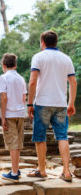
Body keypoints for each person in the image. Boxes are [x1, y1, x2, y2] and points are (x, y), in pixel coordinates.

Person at [27, 30, 77, 182]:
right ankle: (67, 172)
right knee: (62, 136)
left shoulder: (38, 57)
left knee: (40, 137)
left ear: (43, 42)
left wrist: (30, 103)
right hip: (61, 104)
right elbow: (73, 82)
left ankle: (41, 170)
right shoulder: (66, 59)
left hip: (42, 102)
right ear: (56, 42)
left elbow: (33, 81)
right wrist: (71, 103)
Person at [0, 53, 27, 182]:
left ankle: (14, 173)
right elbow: (24, 98)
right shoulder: (21, 78)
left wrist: (2, 117)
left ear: (3, 65)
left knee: (13, 144)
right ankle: (16, 169)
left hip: (10, 114)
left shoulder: (3, 78)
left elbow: (4, 98)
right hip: (20, 113)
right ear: (15, 65)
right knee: (18, 143)